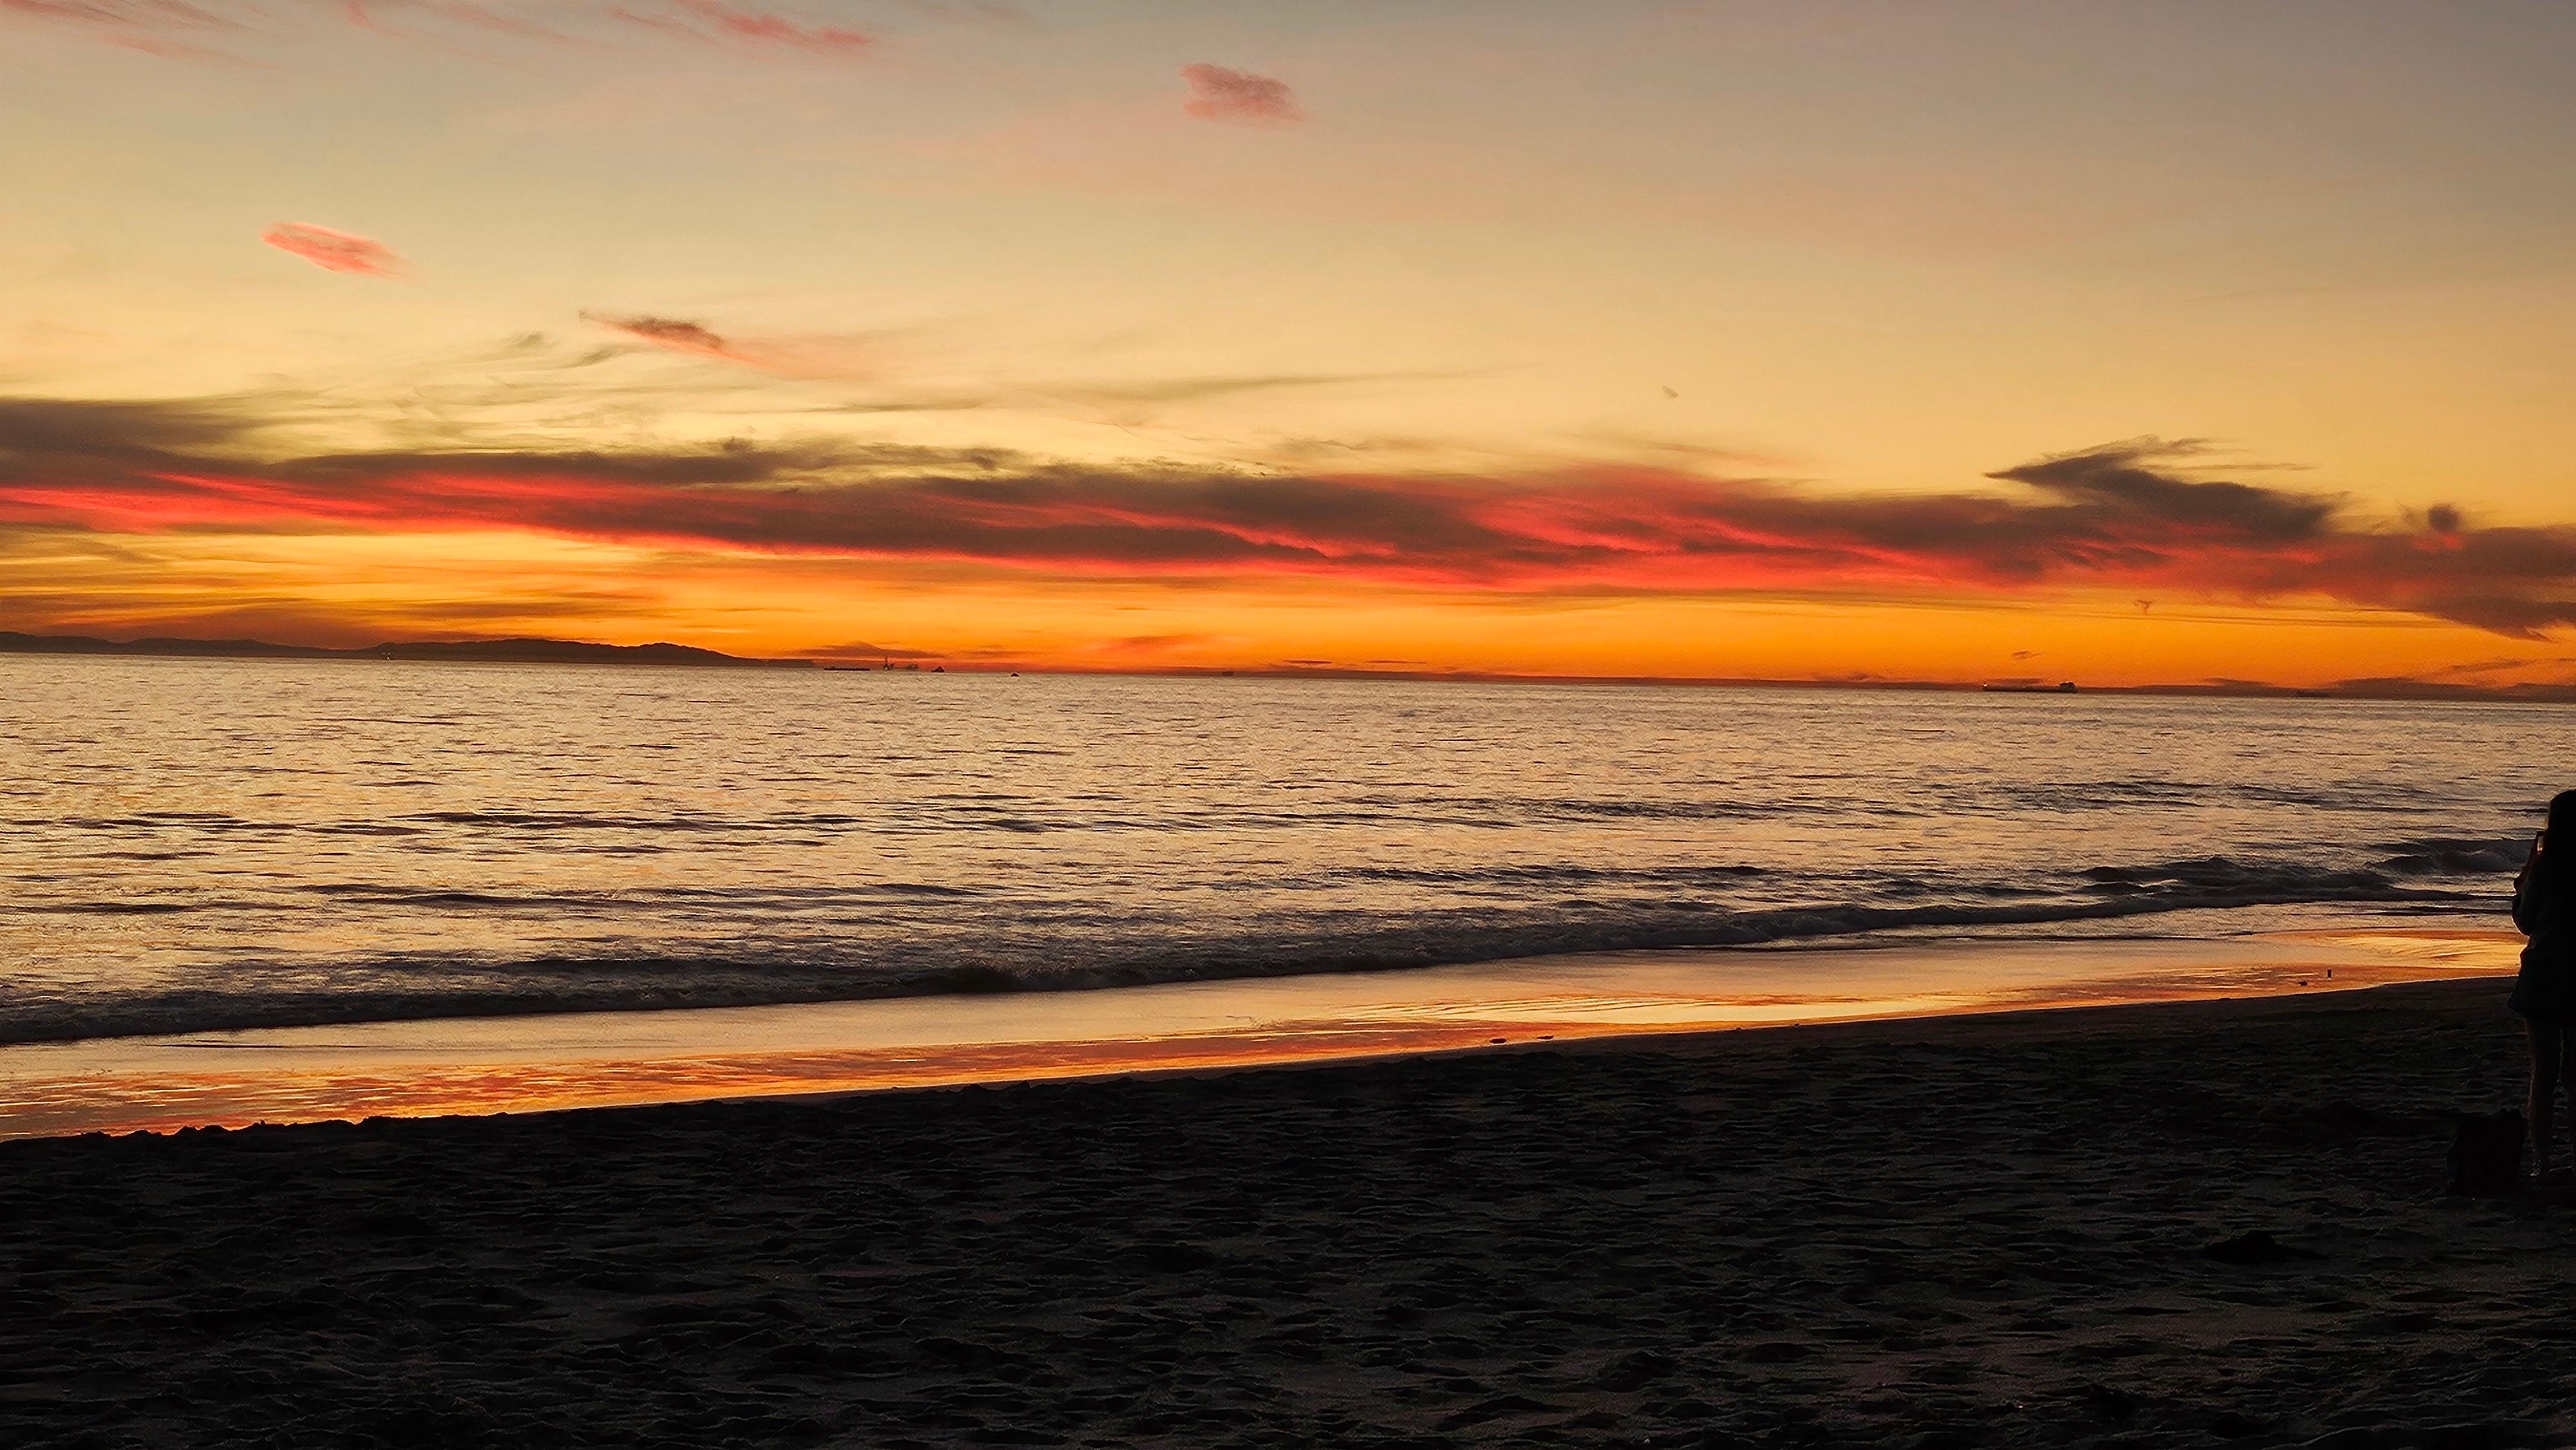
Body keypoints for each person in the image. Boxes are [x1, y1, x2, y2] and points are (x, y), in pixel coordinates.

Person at [2509, 790, 2576, 1179]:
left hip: (2544, 976)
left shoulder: (2546, 867)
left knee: (2544, 1072)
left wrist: (2521, 886)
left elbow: (2526, 921)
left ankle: (2543, 1162)